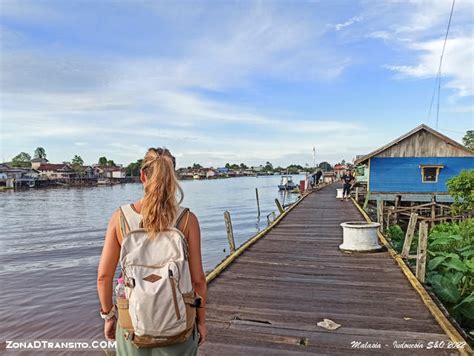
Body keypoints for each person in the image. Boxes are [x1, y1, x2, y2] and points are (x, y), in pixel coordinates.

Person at [97, 147, 207, 355]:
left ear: (142, 176)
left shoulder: (120, 218)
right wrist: (201, 321)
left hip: (133, 327)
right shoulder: (187, 221)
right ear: (173, 177)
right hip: (179, 327)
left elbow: (104, 277)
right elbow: (198, 280)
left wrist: (109, 316)